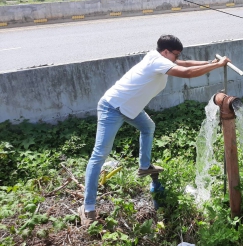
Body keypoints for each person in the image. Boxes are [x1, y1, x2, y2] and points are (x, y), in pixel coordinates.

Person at [78, 34, 230, 225]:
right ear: (165, 52)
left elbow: (186, 64)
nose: (177, 58)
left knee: (148, 126)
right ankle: (88, 207)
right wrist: (217, 65)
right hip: (112, 107)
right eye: (175, 54)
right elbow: (187, 73)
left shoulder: (159, 57)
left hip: (129, 108)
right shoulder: (157, 61)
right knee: (100, 154)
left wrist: (210, 61)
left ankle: (144, 166)